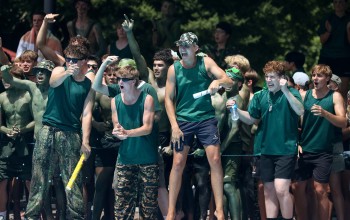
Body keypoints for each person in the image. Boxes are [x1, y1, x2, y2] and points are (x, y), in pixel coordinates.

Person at [164, 32, 233, 220]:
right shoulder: (174, 69)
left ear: (196, 48)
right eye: (180, 46)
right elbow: (168, 100)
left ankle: (219, 211)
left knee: (215, 159)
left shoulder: (206, 62)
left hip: (205, 119)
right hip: (183, 120)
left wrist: (218, 81)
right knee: (178, 163)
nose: (183, 49)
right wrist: (174, 126)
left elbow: (229, 81)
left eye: (187, 46)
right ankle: (171, 212)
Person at [24, 43, 94, 220]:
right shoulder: (58, 71)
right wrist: (67, 71)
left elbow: (86, 114)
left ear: (84, 61)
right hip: (48, 130)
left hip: (71, 134)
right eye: (68, 59)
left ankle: (76, 217)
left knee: (72, 182)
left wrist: (85, 141)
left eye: (75, 60)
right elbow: (54, 82)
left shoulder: (88, 85)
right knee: (39, 178)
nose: (70, 62)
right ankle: (32, 216)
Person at [235, 61, 304, 220]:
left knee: (281, 189)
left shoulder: (292, 92)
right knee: (268, 190)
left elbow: (300, 110)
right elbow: (251, 119)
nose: (269, 80)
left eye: (272, 77)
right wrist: (236, 110)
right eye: (266, 77)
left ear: (282, 78)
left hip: (286, 149)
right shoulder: (260, 95)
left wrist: (285, 90)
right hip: (264, 149)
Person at [293, 64, 347, 220]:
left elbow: (343, 122)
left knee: (320, 190)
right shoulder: (305, 95)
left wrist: (325, 113)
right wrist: (297, 143)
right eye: (313, 75)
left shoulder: (335, 96)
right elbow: (293, 122)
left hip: (324, 150)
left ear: (328, 78)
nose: (315, 78)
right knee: (298, 188)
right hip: (304, 148)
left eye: (319, 76)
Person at [111, 65, 159, 219]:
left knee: (148, 207)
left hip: (147, 160)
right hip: (125, 158)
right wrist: (117, 132)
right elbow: (117, 126)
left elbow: (147, 128)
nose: (120, 82)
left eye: (124, 79)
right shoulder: (115, 101)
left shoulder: (147, 98)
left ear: (133, 81)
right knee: (122, 207)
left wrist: (127, 133)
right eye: (119, 79)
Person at [0, 66, 34, 220]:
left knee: (29, 180)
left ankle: (33, 213)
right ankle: (2, 215)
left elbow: (37, 119)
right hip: (6, 145)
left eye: (7, 77)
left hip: (26, 142)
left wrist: (23, 129)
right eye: (2, 77)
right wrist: (6, 130)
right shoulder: (1, 97)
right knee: (2, 180)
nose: (4, 80)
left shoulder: (28, 96)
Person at [90, 63, 119, 220]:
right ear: (105, 76)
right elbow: (85, 113)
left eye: (116, 74)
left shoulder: (126, 91)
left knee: (117, 185)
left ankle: (111, 216)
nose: (113, 76)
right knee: (101, 184)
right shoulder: (100, 94)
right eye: (110, 74)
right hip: (105, 141)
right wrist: (96, 124)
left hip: (123, 142)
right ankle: (96, 217)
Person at [317, 0, 350, 98]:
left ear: (346, 4)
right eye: (336, 2)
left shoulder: (349, 18)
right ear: (333, 4)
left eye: (341, 2)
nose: (338, 4)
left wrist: (348, 30)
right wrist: (329, 31)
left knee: (342, 90)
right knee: (320, 85)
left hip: (345, 56)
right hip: (327, 56)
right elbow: (322, 40)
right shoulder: (327, 18)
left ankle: (341, 112)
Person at [327, 73, 346, 220]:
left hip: (335, 145)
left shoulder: (338, 100)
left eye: (330, 83)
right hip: (319, 145)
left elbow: (342, 124)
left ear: (337, 86)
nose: (326, 85)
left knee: (336, 188)